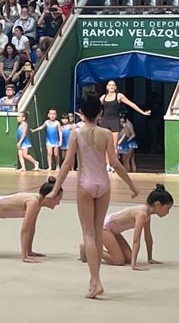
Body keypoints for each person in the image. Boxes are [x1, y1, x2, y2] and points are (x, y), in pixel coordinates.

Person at [53, 94, 140, 300]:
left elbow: (67, 164)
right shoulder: (107, 133)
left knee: (89, 234)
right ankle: (95, 280)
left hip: (85, 183)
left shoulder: (76, 133)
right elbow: (116, 163)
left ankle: (95, 280)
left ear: (81, 113)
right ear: (100, 112)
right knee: (98, 232)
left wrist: (56, 187)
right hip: (103, 183)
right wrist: (131, 185)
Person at [87, 184, 174, 270]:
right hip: (103, 227)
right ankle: (87, 248)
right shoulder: (141, 215)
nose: (168, 212)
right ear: (158, 204)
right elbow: (136, 240)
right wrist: (134, 264)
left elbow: (148, 237)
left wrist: (150, 258)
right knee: (118, 260)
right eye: (167, 208)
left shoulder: (147, 215)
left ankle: (91, 247)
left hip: (113, 230)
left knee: (128, 257)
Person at [99, 80, 151, 148]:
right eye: (110, 85)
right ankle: (105, 159)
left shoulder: (119, 96)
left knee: (114, 146)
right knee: (104, 145)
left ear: (115, 87)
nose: (111, 87)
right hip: (105, 121)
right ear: (107, 87)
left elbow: (131, 104)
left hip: (114, 121)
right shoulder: (103, 97)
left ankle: (114, 158)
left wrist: (142, 112)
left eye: (113, 85)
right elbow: (95, 105)